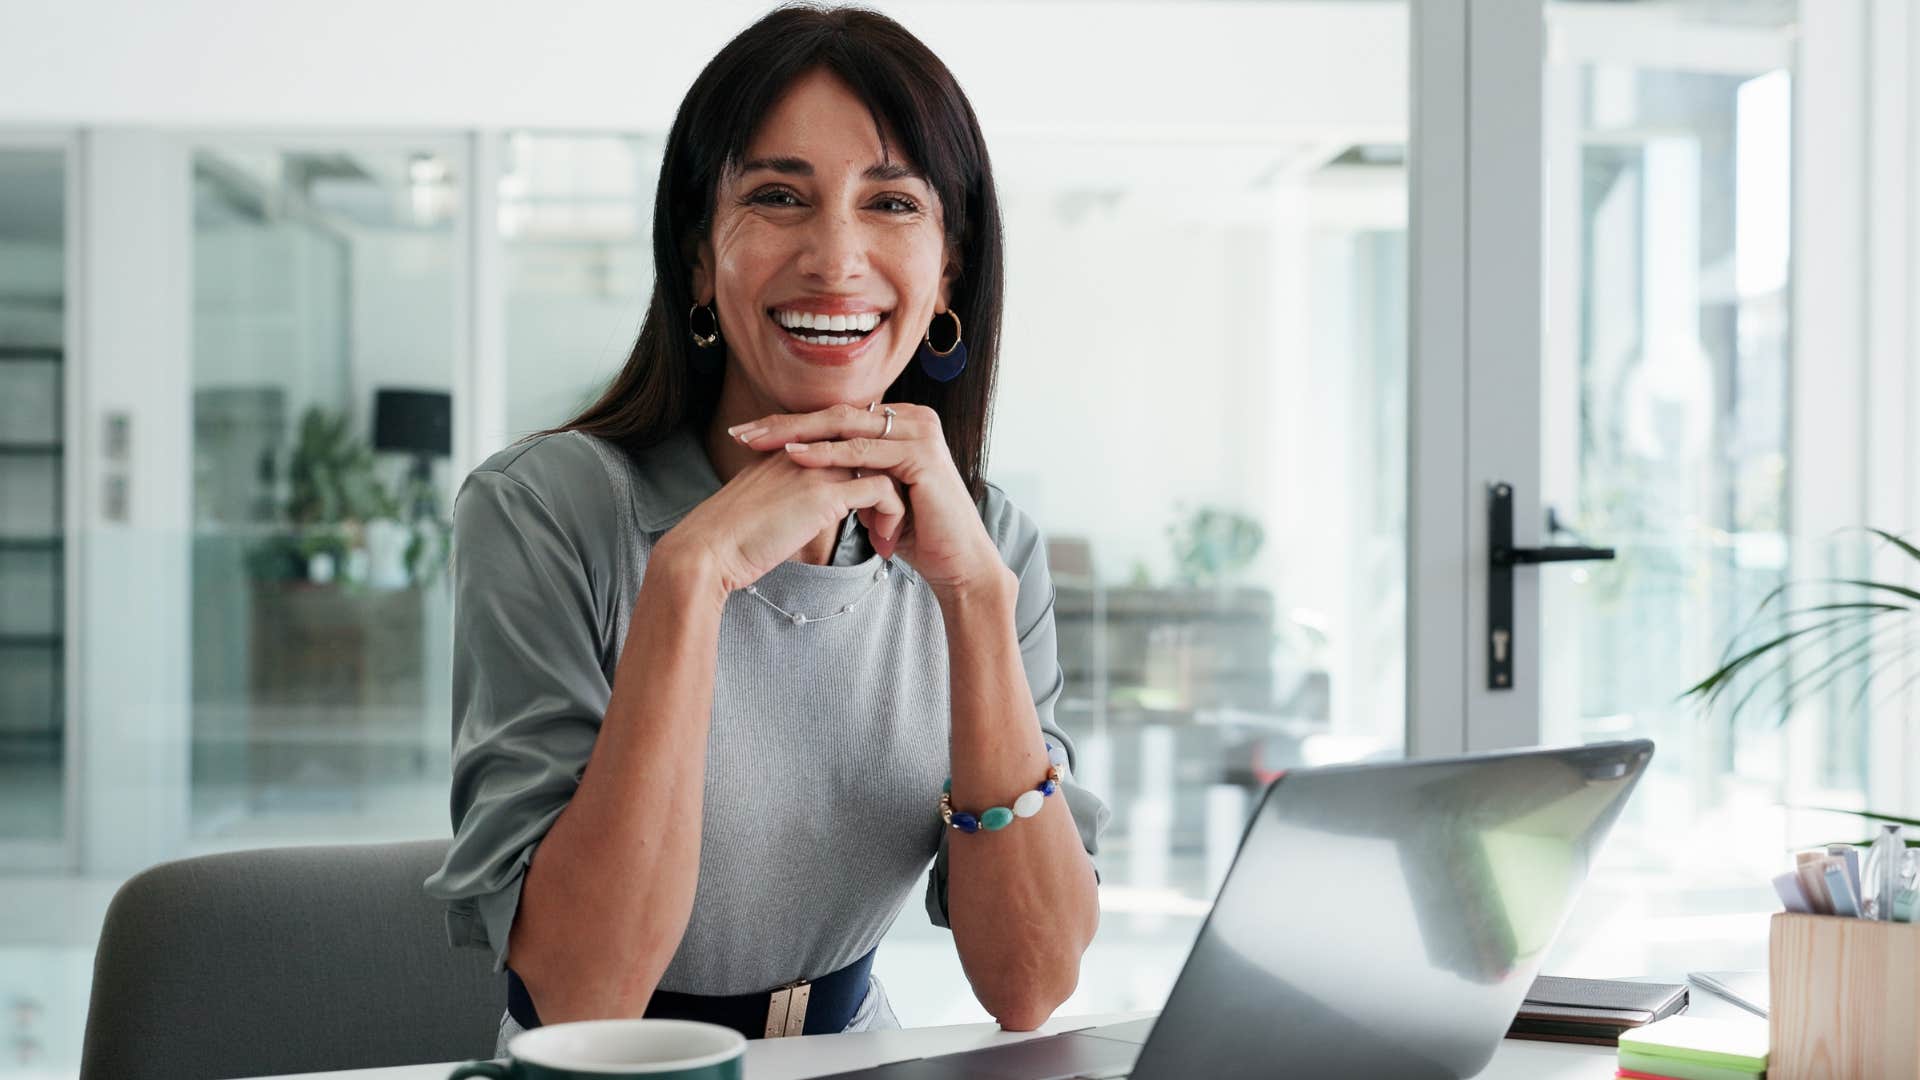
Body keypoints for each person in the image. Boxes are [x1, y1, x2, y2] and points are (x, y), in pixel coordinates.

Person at [422, 2, 1110, 1055]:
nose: (836, 259)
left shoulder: (985, 542)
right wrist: (691, 574)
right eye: (778, 197)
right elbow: (582, 991)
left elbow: (1030, 983)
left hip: (855, 1055)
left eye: (891, 203)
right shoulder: (544, 510)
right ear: (699, 257)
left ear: (949, 273)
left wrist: (975, 602)